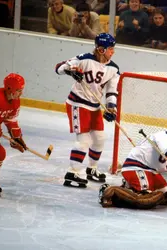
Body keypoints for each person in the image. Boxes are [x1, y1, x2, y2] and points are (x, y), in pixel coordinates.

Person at [55, 33, 119, 188]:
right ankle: (72, 172)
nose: (113, 51)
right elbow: (59, 68)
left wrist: (111, 107)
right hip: (77, 103)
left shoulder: (114, 69)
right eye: (110, 48)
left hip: (94, 106)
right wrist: (71, 70)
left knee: (99, 138)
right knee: (84, 141)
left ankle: (92, 169)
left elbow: (112, 91)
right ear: (101, 49)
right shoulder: (84, 58)